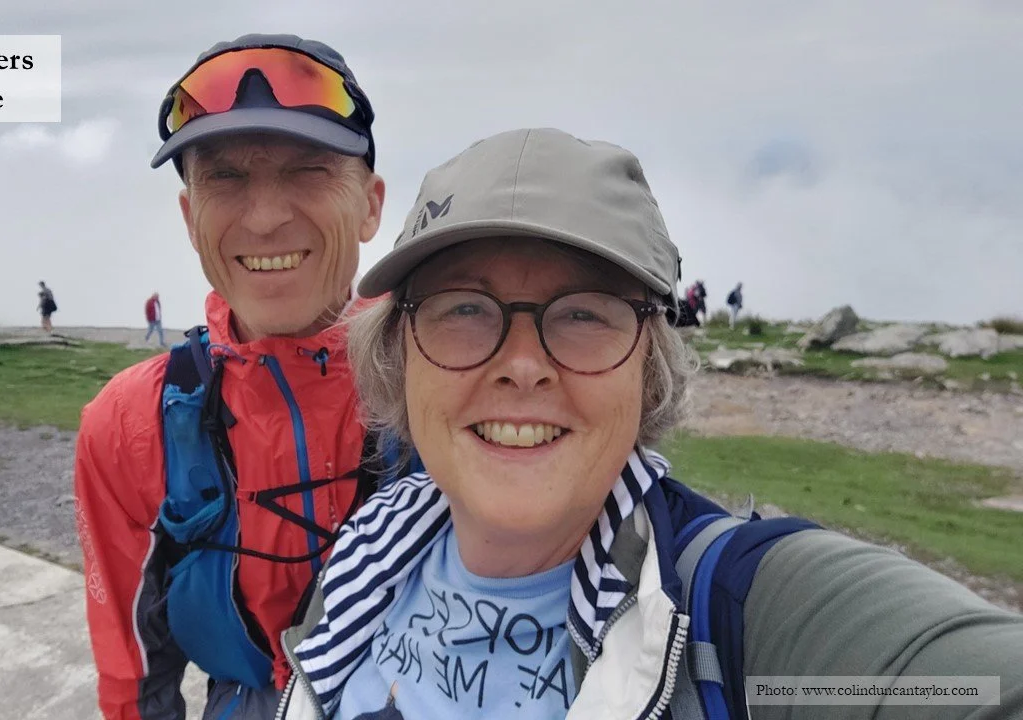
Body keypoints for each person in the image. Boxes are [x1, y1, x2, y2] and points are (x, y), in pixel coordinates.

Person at [278, 129, 1023, 719]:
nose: (523, 365)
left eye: (582, 315)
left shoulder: (741, 615)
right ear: (400, 354)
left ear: (651, 369)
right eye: (465, 309)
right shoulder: (368, 555)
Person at [74, 34, 399, 720]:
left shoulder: (445, 378)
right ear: (191, 218)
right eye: (225, 177)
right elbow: (133, 677)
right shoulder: (133, 424)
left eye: (309, 170)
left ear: (370, 206)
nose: (265, 216)